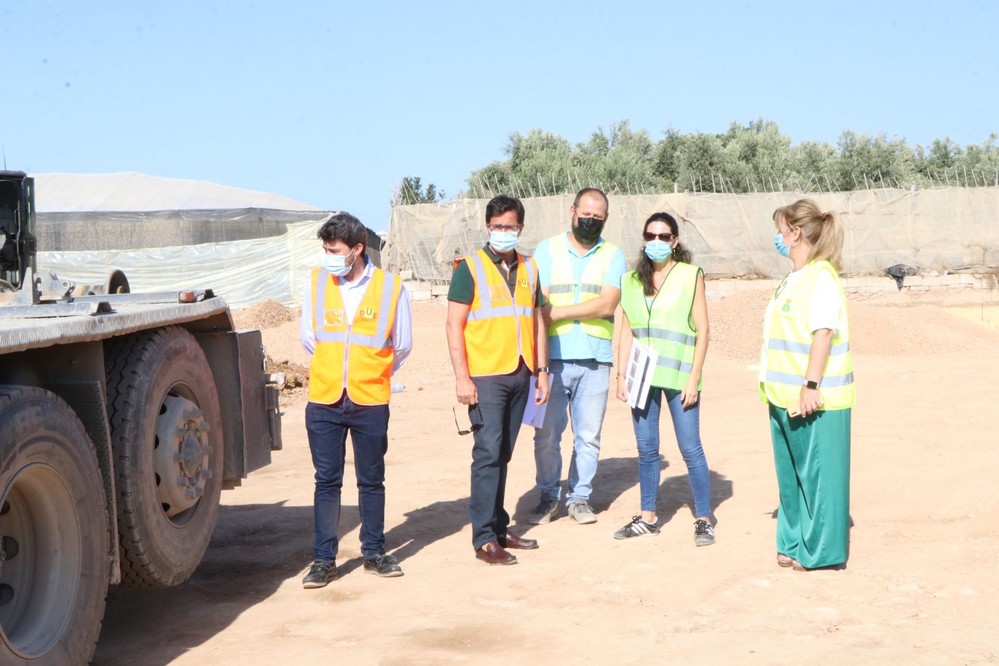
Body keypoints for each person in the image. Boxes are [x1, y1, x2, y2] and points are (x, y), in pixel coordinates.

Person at [299, 212, 413, 588]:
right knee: (326, 482)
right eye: (326, 249)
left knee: (371, 480)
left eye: (335, 250)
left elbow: (402, 345)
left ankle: (375, 552)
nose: (329, 256)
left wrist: (371, 373)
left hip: (369, 399)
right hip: (325, 399)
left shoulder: (391, 287)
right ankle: (323, 560)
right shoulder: (316, 283)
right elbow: (309, 340)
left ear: (357, 249)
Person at [446, 194, 550, 566]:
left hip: (521, 372)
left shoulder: (530, 268)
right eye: (497, 226)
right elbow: (454, 326)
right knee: (488, 453)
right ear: (487, 226)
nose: (503, 232)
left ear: (520, 228)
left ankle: (499, 525)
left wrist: (541, 371)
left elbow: (537, 320)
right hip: (486, 377)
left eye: (510, 226)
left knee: (503, 452)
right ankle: (484, 538)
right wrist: (463, 378)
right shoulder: (469, 268)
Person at [762, 199, 854, 571]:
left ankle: (821, 552)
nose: (777, 237)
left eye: (781, 229)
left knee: (819, 477)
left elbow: (823, 334)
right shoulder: (793, 278)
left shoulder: (821, 277)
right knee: (792, 479)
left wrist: (811, 385)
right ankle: (793, 542)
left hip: (817, 399)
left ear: (795, 232)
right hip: (781, 395)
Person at [614, 212, 715, 546]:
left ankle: (703, 518)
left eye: (663, 236)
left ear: (674, 241)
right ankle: (648, 518)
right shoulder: (630, 280)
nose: (656, 242)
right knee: (646, 448)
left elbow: (703, 330)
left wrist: (694, 377)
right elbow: (626, 330)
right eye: (650, 236)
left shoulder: (689, 276)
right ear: (644, 239)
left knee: (690, 448)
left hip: (679, 374)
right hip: (642, 375)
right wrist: (621, 375)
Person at [528, 188, 627, 525]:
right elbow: (537, 303)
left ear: (606, 219)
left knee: (588, 436)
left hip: (595, 359)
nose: (590, 221)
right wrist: (551, 314)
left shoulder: (612, 255)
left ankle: (580, 497)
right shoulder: (547, 250)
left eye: (597, 218)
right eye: (585, 214)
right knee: (545, 435)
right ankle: (547, 495)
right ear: (572, 211)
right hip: (550, 359)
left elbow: (607, 304)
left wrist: (556, 313)